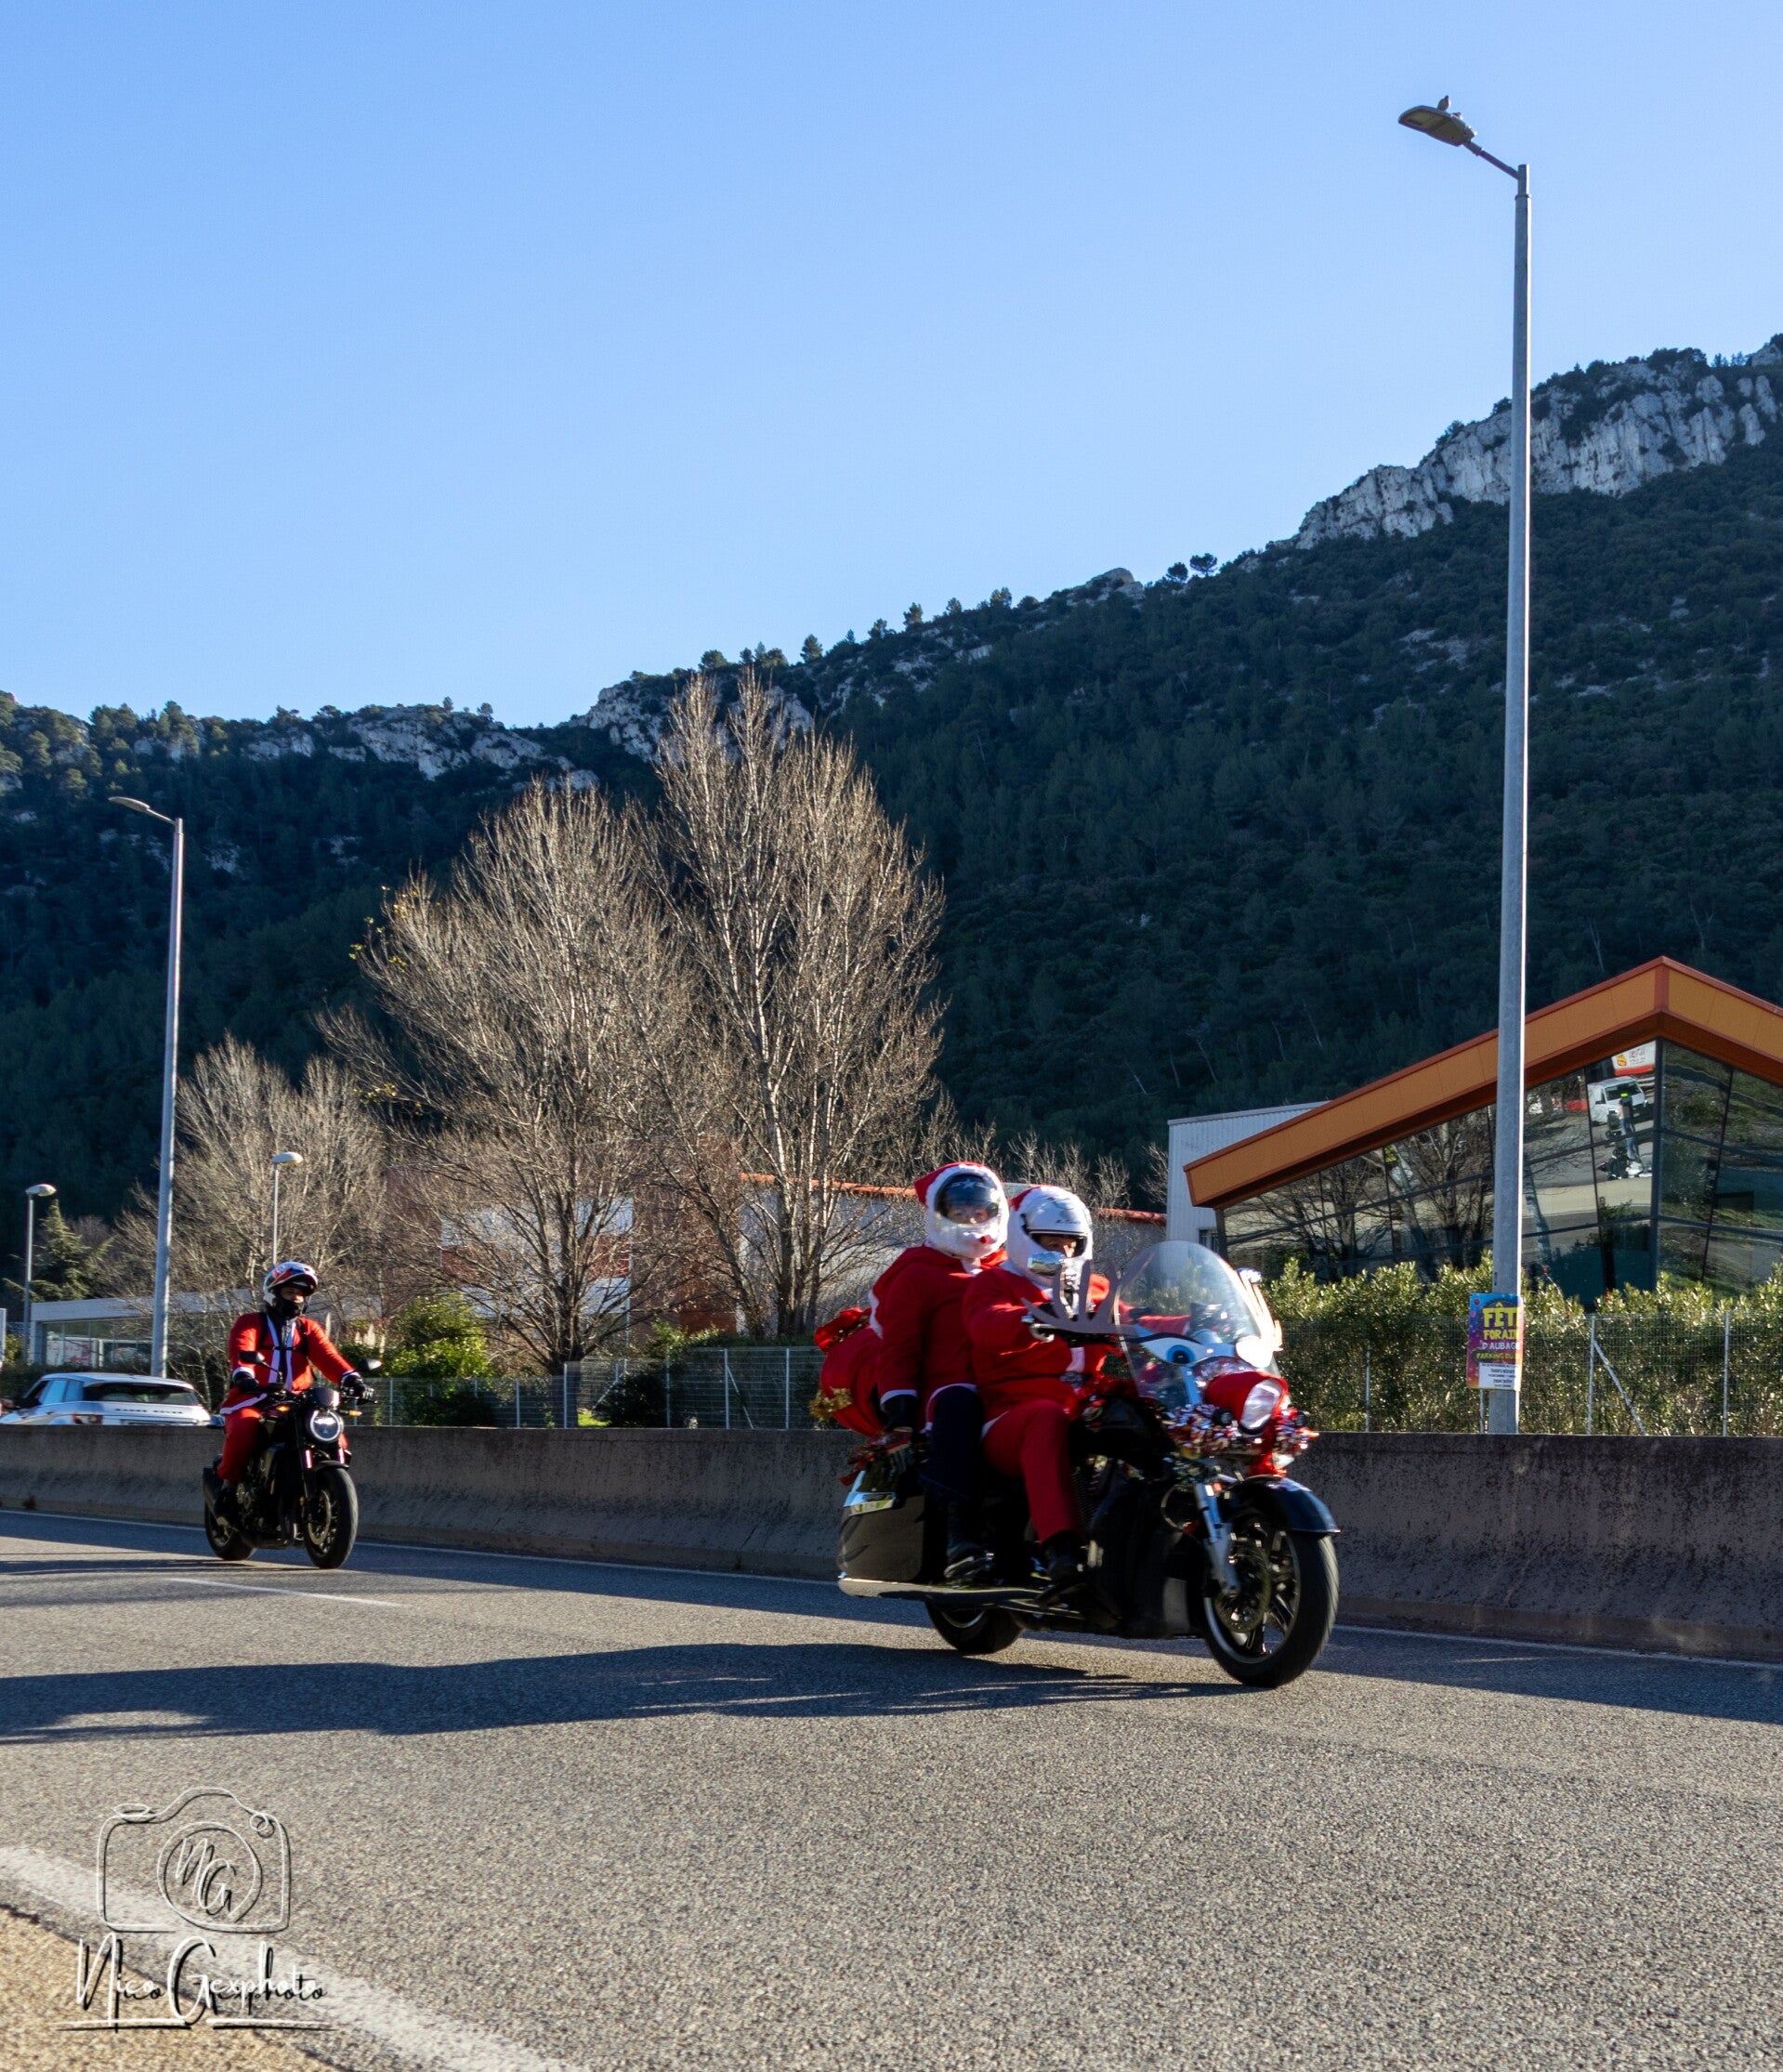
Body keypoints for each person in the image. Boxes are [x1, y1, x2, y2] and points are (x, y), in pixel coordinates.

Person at [961, 1185, 1108, 1591]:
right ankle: (1060, 1547)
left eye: (1071, 1243)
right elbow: (987, 1323)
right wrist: (1030, 1319)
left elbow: (1135, 1318)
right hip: (1011, 1413)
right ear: (1025, 1236)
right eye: (1051, 1242)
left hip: (1086, 1403)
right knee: (1045, 1418)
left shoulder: (1096, 1287)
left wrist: (1193, 1321)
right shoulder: (994, 1283)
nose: (1063, 1252)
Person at [867, 1162, 1007, 1583]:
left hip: (1007, 1385)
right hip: (947, 1389)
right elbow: (899, 1348)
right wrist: (898, 1411)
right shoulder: (916, 1272)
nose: (971, 1220)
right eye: (960, 1212)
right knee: (961, 1405)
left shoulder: (1012, 1269)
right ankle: (959, 1535)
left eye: (979, 1212)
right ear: (939, 1213)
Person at [205, 1261, 365, 1520]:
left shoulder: (307, 1328)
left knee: (334, 1436)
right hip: (255, 1397)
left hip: (299, 1401)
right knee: (245, 1427)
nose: (296, 1298)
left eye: (300, 1294)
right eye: (290, 1292)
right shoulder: (251, 1322)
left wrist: (353, 1380)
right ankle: (228, 1490)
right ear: (273, 1293)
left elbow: (328, 1357)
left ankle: (328, 1488)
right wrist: (244, 1375)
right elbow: (241, 1349)